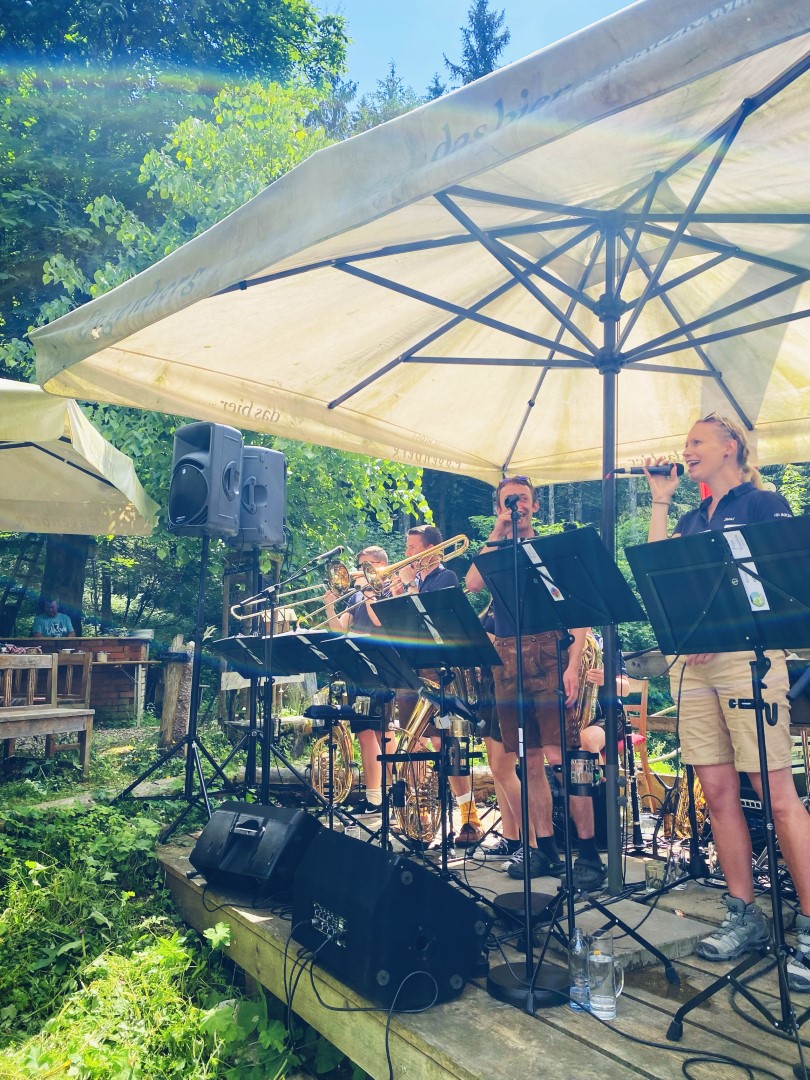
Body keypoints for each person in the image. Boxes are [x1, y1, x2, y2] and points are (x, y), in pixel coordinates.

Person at [645, 411, 809, 988]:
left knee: (775, 792)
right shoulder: (690, 517)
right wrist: (660, 500)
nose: (685, 450)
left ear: (730, 447)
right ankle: (744, 914)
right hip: (693, 668)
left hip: (748, 659)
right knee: (717, 791)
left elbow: (782, 586)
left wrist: (722, 626)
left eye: (696, 441)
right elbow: (659, 578)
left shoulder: (764, 504)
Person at [465, 476, 604, 890]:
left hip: (549, 654)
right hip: (508, 659)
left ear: (536, 505)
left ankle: (589, 854)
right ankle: (544, 848)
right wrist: (498, 531)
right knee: (528, 760)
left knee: (564, 755)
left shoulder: (551, 550)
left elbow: (578, 611)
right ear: (498, 507)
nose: (517, 505)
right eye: (509, 500)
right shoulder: (497, 551)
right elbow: (472, 583)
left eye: (523, 499)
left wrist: (573, 665)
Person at [393, 524, 485, 846]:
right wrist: (399, 592)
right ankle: (420, 817)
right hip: (410, 670)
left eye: (412, 548)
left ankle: (469, 817)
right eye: (407, 548)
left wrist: (409, 587)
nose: (406, 554)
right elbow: (398, 625)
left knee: (446, 744)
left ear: (431, 550)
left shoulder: (446, 578)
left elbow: (431, 620)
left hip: (439, 673)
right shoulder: (412, 582)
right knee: (413, 742)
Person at [323, 546, 395, 815]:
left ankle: (396, 789)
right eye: (360, 565)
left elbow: (378, 621)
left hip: (383, 666)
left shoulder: (389, 589)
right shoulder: (355, 595)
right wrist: (329, 605)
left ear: (379, 564)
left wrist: (368, 591)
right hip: (359, 668)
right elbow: (340, 629)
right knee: (364, 734)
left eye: (365, 565)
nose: (357, 571)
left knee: (383, 732)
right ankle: (374, 797)